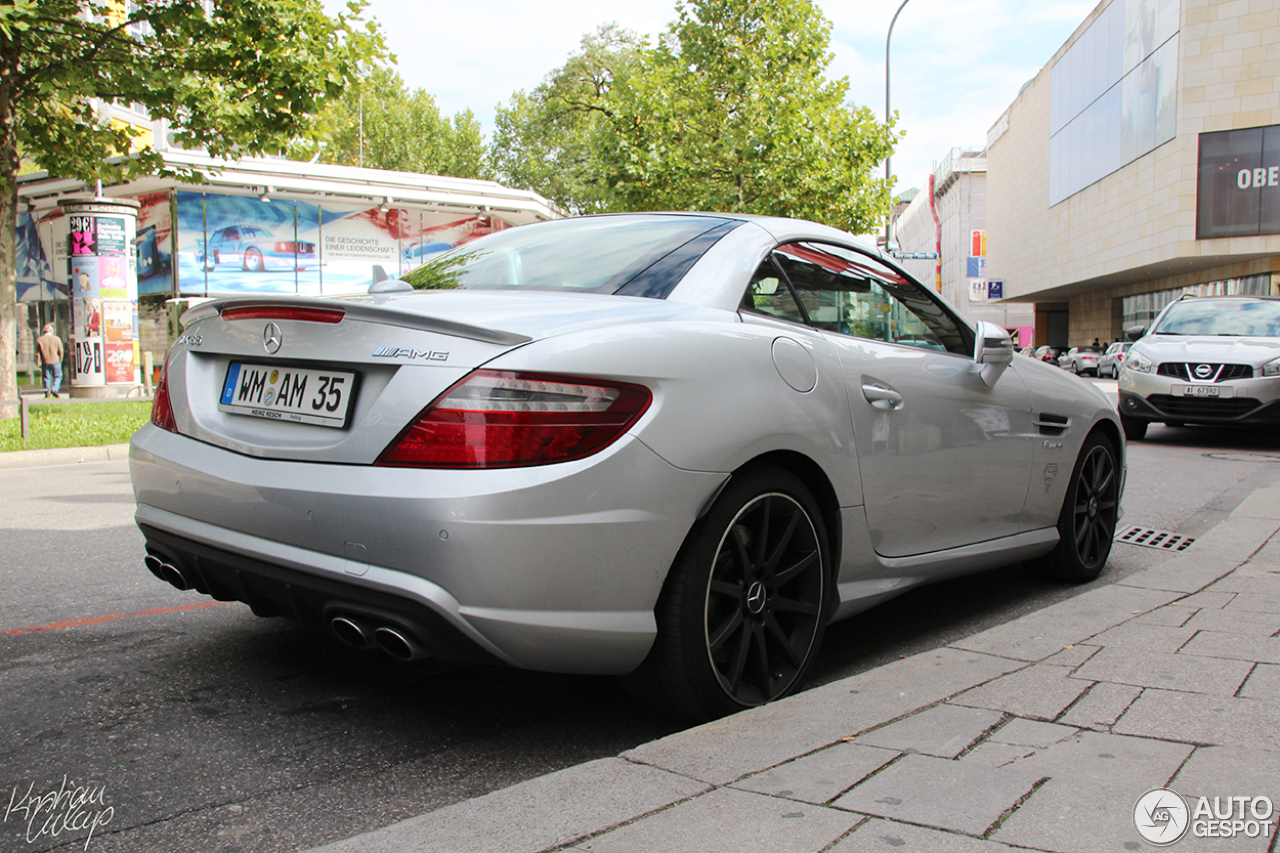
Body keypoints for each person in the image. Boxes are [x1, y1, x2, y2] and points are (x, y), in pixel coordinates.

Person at [36, 323, 64, 398]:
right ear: (51, 331)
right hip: (55, 361)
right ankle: (54, 388)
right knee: (58, 376)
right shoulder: (57, 339)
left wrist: (38, 364)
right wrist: (60, 359)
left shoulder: (39, 340)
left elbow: (38, 354)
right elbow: (60, 350)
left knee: (46, 377)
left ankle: (47, 390)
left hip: (45, 361)